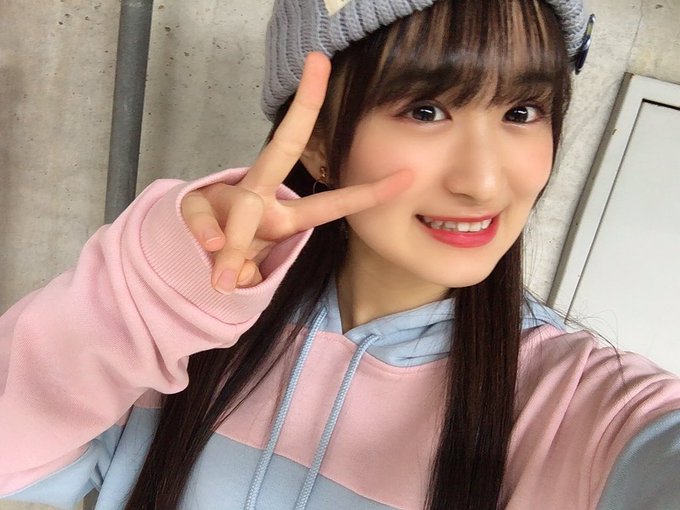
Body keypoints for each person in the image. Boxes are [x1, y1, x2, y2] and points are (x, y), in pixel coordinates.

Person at [1, 0, 679, 508]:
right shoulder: (183, 329)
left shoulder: (573, 401)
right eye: (426, 110)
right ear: (319, 143)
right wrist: (160, 289)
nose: (483, 181)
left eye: (522, 113)